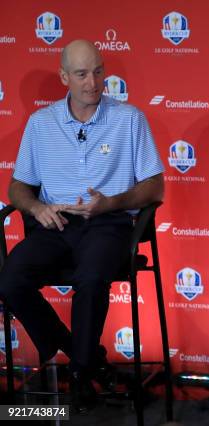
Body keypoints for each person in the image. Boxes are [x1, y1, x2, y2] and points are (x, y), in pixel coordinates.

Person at [0, 40, 164, 412]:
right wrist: (34, 206)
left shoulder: (129, 119)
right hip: (56, 223)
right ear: (64, 78)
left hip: (108, 223)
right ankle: (84, 357)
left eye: (98, 71)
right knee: (9, 279)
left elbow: (155, 187)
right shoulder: (41, 124)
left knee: (91, 277)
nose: (93, 82)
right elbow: (17, 186)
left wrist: (112, 202)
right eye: (81, 74)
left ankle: (78, 372)